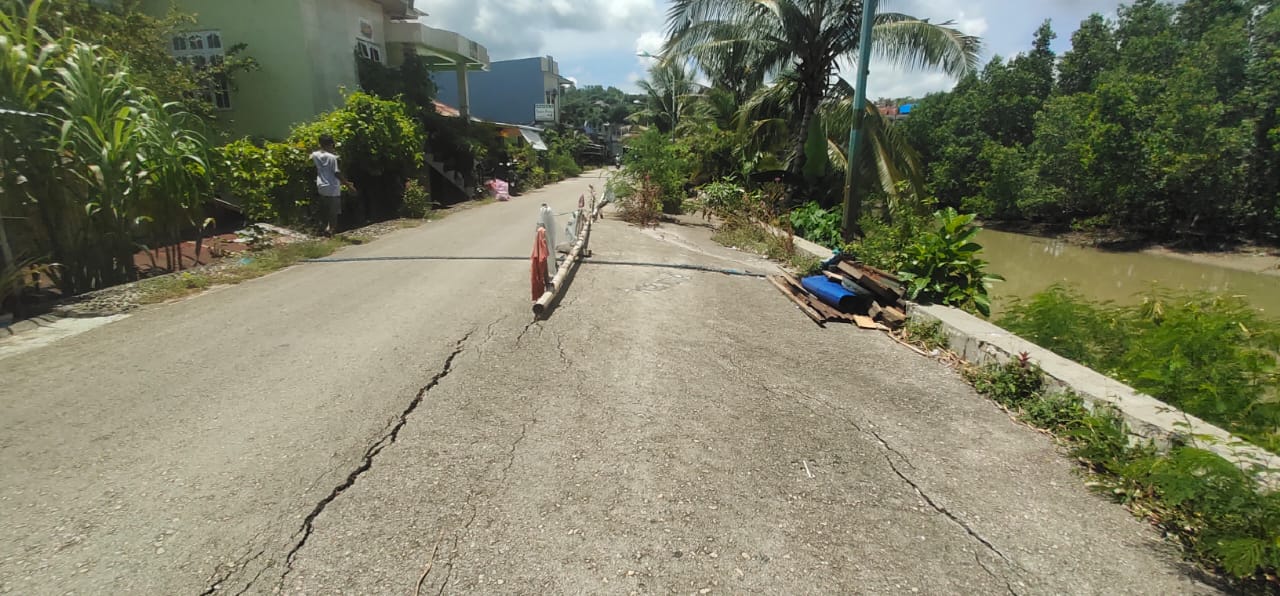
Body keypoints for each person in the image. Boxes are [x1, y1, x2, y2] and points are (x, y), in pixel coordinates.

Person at [311, 134, 355, 236]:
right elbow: (336, 172)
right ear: (331, 144)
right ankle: (331, 232)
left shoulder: (315, 155)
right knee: (334, 212)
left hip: (321, 185)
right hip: (332, 186)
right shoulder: (332, 157)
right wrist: (348, 185)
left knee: (327, 210)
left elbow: (313, 154)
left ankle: (327, 229)